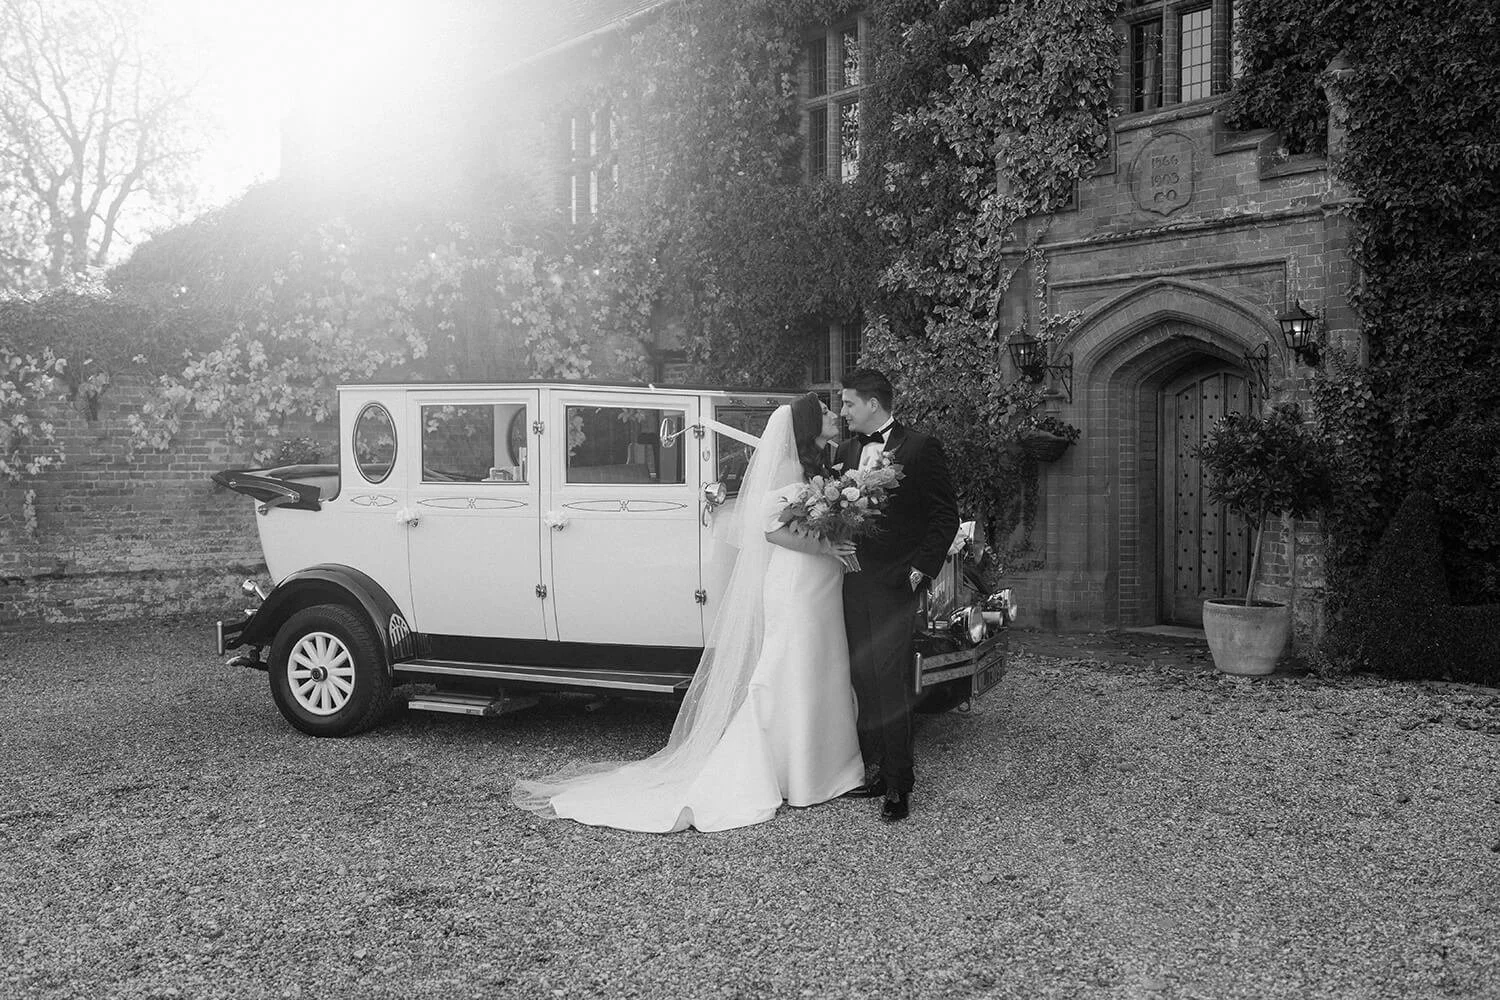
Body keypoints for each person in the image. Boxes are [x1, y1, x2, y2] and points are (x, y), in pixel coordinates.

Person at [511, 392, 864, 832]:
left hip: (820, 582)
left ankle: (824, 768)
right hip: (797, 581)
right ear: (810, 424)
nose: (834, 415)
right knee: (789, 664)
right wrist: (827, 545)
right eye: (827, 411)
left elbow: (810, 520)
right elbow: (771, 530)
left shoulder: (821, 467)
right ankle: (784, 769)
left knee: (820, 665)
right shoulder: (788, 468)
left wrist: (834, 536)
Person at [836, 367, 958, 822]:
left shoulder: (922, 448)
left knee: (891, 683)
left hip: (895, 586)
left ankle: (900, 786)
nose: (843, 410)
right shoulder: (846, 450)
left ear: (872, 404)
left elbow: (944, 519)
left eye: (848, 403)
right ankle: (876, 772)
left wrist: (918, 573)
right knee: (863, 678)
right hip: (852, 584)